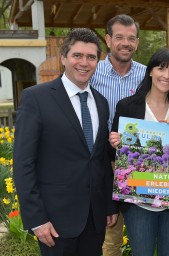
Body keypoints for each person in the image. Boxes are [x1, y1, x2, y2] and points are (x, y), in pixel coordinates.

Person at [13, 28, 118, 255]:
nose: (84, 62)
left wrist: (109, 205)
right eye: (77, 55)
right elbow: (23, 164)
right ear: (63, 58)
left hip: (94, 219)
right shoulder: (36, 98)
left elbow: (98, 159)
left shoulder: (101, 103)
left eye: (91, 57)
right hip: (55, 223)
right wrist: (37, 219)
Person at [108, 48, 169, 256]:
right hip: (138, 202)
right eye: (161, 68)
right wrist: (114, 143)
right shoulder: (127, 106)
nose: (166, 76)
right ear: (150, 71)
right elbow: (113, 155)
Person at [90, 14, 146, 256]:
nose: (126, 43)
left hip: (138, 163)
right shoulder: (91, 71)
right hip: (101, 161)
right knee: (109, 234)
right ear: (108, 40)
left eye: (131, 38)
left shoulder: (148, 75)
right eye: (120, 37)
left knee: (141, 233)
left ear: (137, 42)